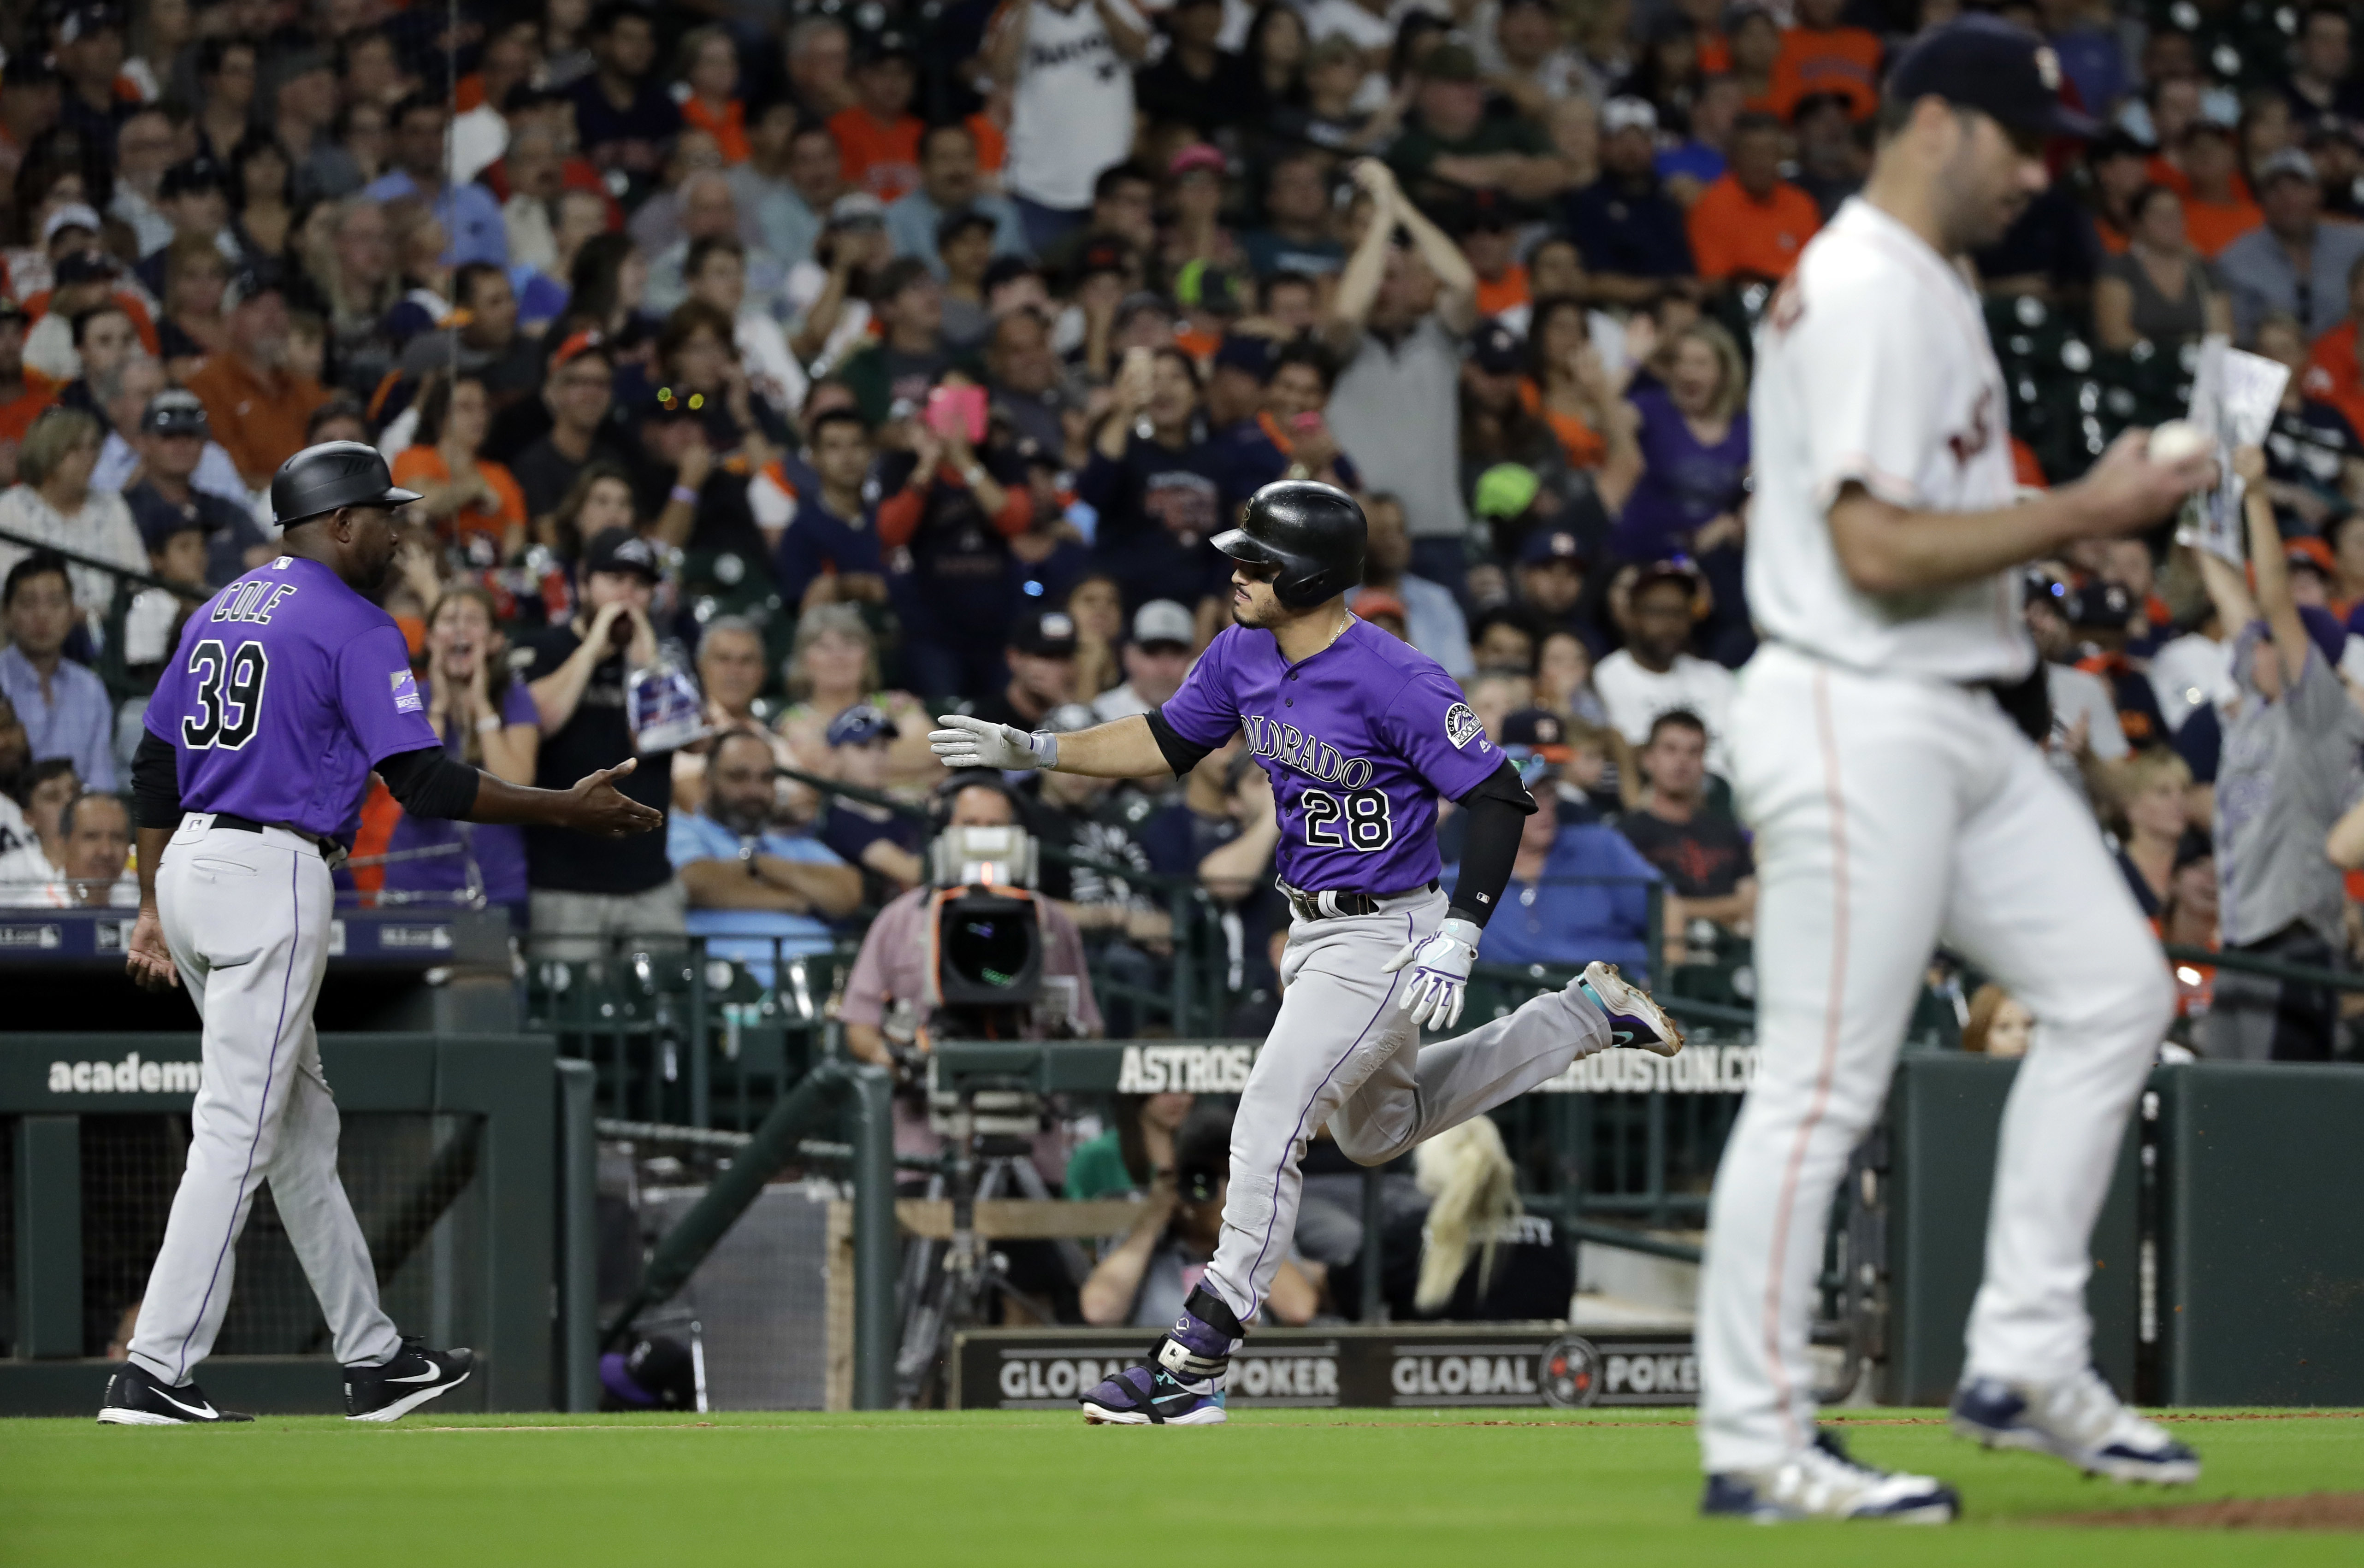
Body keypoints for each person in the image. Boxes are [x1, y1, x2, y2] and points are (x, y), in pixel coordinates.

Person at [1694, 19, 2212, 1522]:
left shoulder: (1922, 283)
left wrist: (2074, 524)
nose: (2032, 175)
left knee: (2115, 992)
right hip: (1855, 709)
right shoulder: (1863, 284)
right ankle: (1755, 1440)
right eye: (2019, 142)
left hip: (1947, 719)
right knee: (1816, 1084)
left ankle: (2025, 1354)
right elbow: (1870, 547)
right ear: (1933, 125)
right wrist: (2079, 508)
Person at [929, 480, 1684, 1426]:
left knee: (1267, 1121)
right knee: (1375, 1131)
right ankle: (1577, 1017)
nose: (1236, 573)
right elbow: (1165, 741)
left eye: (1256, 561)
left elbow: (1497, 796)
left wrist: (1461, 930)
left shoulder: (1394, 676)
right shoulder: (1243, 649)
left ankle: (1197, 1357)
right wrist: (1037, 750)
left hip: (1388, 929)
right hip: (1317, 926)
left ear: (1311, 576)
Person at [104, 440, 659, 1426]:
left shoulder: (221, 607)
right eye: (383, 514)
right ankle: (155, 1368)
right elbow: (425, 781)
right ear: (337, 524)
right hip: (268, 874)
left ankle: (375, 1359)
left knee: (299, 1129)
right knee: (237, 1127)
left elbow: (154, 766)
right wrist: (564, 810)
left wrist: (152, 902)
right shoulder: (354, 624)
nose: (401, 532)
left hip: (191, 866)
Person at [2193, 444, 2364, 1062]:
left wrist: (2258, 496)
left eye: (2269, 643)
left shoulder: (2319, 712)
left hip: (2294, 941)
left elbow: (2271, 602)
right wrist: (2200, 491)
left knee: (2271, 1122)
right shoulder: (2257, 701)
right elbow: (2226, 585)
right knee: (2224, 1113)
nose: (2253, 647)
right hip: (2244, 939)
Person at [838, 777, 1105, 1065]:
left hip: (1030, 1088)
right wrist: (902, 1062)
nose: (982, 838)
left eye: (995, 826)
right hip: (927, 1097)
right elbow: (860, 1028)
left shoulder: (1050, 920)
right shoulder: (899, 919)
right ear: (945, 831)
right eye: (970, 824)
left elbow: (1089, 1028)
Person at [518, 527, 683, 959]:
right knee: (569, 1019)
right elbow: (539, 721)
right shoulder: (542, 647)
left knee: (665, 1016)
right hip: (564, 883)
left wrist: (643, 664)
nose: (627, 597)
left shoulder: (664, 661)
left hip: (649, 882)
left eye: (640, 585)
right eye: (615, 580)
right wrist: (592, 650)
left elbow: (656, 737)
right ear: (584, 582)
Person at [1323, 159, 1478, 584]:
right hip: (1356, 536)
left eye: (1393, 277)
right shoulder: (1339, 345)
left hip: (1437, 532)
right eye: (1376, 276)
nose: (1381, 286)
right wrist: (1381, 228)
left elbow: (1463, 283)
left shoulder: (1440, 337)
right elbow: (1346, 311)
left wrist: (1398, 205)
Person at [1447, 709, 1659, 974]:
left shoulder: (1600, 846)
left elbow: (1663, 907)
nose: (1542, 808)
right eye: (1528, 798)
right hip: (1515, 1004)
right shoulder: (1458, 879)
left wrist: (1667, 981)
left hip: (1609, 998)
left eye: (1548, 794)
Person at [375, 585, 541, 920]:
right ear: (432, 639)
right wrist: (437, 705)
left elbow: (517, 784)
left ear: (495, 641)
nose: (461, 630)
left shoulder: (514, 698)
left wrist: (481, 705)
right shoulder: (408, 697)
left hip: (496, 883)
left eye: (473, 620)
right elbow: (413, 788)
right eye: (450, 620)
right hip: (416, 882)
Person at [1079, 1108, 1324, 1329]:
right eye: (1201, 1177)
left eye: (1227, 1177)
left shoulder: (1261, 1231)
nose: (1212, 1192)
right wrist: (1151, 1223)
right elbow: (1099, 1311)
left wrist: (1233, 1230)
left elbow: (1299, 1310)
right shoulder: (1146, 1238)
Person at [668, 728, 861, 984]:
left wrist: (758, 865)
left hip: (818, 985)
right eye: (738, 777)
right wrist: (793, 900)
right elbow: (695, 883)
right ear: (706, 782)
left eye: (766, 778)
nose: (754, 790)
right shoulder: (682, 829)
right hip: (726, 987)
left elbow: (848, 893)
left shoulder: (790, 843)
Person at [989, 0, 1151, 251]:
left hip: (1110, 182)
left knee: (1114, 274)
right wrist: (1024, 8)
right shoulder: (1019, 13)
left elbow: (1141, 50)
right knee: (1050, 277)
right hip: (1041, 185)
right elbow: (1000, 71)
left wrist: (1102, 7)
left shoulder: (1114, 6)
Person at [182, 261, 331, 489]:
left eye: (279, 307)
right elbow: (231, 477)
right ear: (229, 320)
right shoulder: (206, 387)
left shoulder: (305, 387)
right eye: (257, 307)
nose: (271, 317)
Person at [0, 407, 145, 629]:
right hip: (35, 632)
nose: (90, 459)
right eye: (76, 450)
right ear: (48, 452)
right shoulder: (10, 508)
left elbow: (138, 580)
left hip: (112, 631)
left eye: (93, 448)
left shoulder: (112, 506)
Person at [1593, 560, 1738, 779]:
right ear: (1632, 615)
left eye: (1679, 612)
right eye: (1658, 612)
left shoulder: (1716, 678)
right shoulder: (1606, 678)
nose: (1670, 624)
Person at [1618, 709, 1756, 936]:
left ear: (1704, 763)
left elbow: (1751, 902)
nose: (1682, 761)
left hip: (1730, 952)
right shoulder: (1626, 835)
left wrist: (1679, 908)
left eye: (1694, 752)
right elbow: (1641, 909)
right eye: (1670, 750)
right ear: (1648, 759)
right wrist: (1727, 907)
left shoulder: (1727, 831)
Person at [2216, 148, 2364, 341]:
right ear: (2260, 200)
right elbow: (2238, 338)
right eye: (2275, 189)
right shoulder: (2235, 261)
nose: (2287, 197)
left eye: (2298, 186)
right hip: (2272, 364)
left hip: (2350, 361)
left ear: (2318, 192)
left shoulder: (2356, 245)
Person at [1, 552, 115, 791]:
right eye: (28, 603)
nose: (42, 616)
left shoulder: (90, 688)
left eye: (55, 602)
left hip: (77, 819)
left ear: (73, 613)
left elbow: (100, 782)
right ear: (6, 615)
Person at [1686, 112, 1823, 284]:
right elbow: (1716, 281)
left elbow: (1817, 270)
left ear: (1780, 156)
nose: (1760, 161)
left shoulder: (1801, 204)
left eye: (1768, 151)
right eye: (1751, 151)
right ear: (1734, 157)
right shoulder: (1711, 206)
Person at [2093, 187, 2234, 350]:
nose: (2171, 222)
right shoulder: (2119, 269)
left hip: (2198, 364)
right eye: (2159, 216)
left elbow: (2222, 333)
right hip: (2137, 366)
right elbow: (2116, 335)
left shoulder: (2204, 272)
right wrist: (2169, 357)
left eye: (2176, 214)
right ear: (2136, 223)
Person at [1091, 600, 1198, 722]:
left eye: (1176, 654)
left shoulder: (1208, 717)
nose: (1164, 668)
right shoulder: (1100, 716)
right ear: (1128, 656)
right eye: (1152, 653)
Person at [36, 788, 133, 908]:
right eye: (92, 837)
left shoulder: (146, 906)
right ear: (63, 846)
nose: (106, 851)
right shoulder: (33, 913)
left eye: (117, 838)